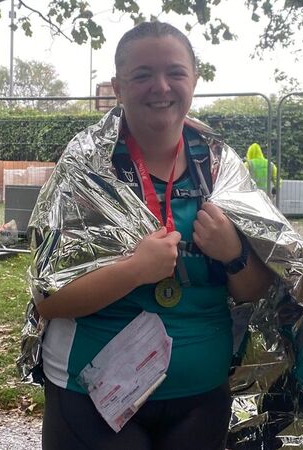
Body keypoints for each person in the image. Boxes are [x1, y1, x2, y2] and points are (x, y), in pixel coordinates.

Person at [34, 22, 273, 450]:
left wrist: (233, 253)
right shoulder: (86, 166)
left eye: (175, 73)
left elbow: (256, 289)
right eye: (142, 74)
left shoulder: (220, 165)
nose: (160, 87)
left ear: (194, 81)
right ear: (118, 87)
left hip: (200, 396)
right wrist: (136, 270)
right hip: (93, 398)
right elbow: (50, 298)